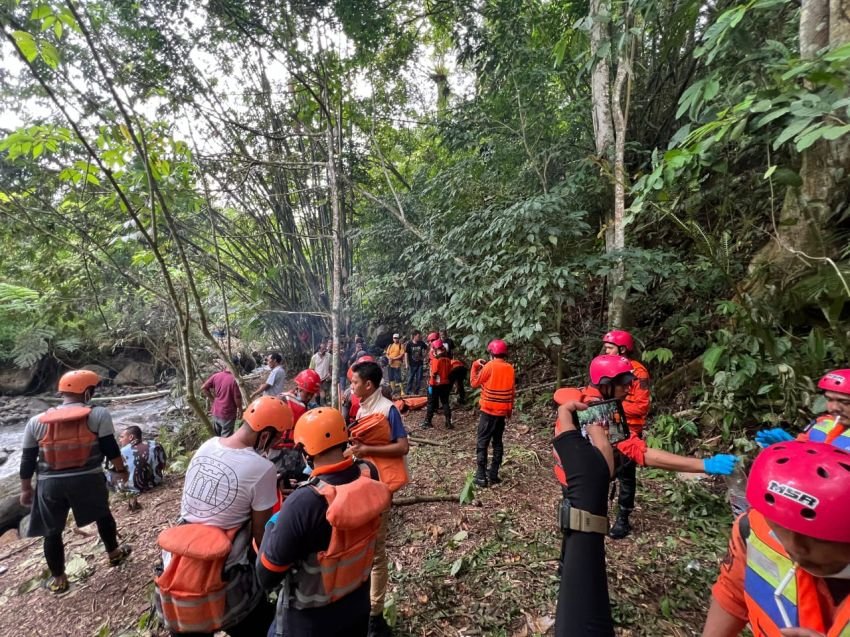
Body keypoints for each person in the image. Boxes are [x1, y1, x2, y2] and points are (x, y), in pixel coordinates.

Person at [155, 395, 291, 636]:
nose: (276, 444)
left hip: (176, 561)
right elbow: (260, 536)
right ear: (265, 436)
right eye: (277, 438)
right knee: (260, 623)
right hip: (225, 572)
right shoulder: (264, 468)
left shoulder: (208, 445)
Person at [257, 407, 391, 637]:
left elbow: (266, 577)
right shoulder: (369, 472)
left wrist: (275, 522)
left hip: (309, 621)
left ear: (305, 453)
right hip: (357, 604)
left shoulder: (304, 503)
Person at [702, 439, 850, 636]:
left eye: (818, 538)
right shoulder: (753, 531)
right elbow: (732, 593)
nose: (795, 547)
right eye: (781, 528)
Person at [552, 355, 738, 493]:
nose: (628, 389)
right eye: (623, 384)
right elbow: (642, 453)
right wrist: (704, 464)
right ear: (605, 384)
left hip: (569, 476)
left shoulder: (580, 396)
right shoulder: (598, 413)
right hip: (584, 486)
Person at [19, 369, 132, 594]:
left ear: (62, 393)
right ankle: (114, 554)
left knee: (52, 531)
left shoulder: (35, 422)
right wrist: (121, 470)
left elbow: (27, 459)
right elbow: (110, 448)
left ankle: (59, 580)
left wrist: (25, 489)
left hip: (50, 485)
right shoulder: (98, 414)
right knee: (103, 516)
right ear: (88, 392)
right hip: (88, 480)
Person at [347, 360, 410, 637]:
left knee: (376, 550)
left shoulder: (387, 409)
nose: (351, 386)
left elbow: (402, 446)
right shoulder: (362, 407)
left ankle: (375, 615)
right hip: (365, 482)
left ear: (368, 385)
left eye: (355, 382)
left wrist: (367, 450)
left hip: (382, 485)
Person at [600, 330, 651, 539]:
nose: (606, 351)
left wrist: (612, 406)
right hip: (610, 423)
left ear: (622, 349)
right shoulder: (607, 367)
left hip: (630, 428)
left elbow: (641, 406)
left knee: (626, 474)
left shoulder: (639, 372)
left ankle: (623, 517)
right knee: (605, 466)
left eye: (610, 347)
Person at [755, 368, 850, 449]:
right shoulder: (822, 422)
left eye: (845, 402)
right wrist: (789, 446)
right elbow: (803, 450)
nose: (834, 407)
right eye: (829, 399)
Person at [470, 339, 516, 487]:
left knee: (482, 442)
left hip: (488, 412)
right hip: (501, 413)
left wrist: (475, 365)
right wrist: (509, 410)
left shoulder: (489, 366)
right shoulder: (510, 368)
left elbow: (474, 382)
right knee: (497, 442)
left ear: (491, 353)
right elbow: (512, 392)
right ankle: (494, 473)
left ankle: (481, 475)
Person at [107, 425, 167, 493]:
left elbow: (115, 470)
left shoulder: (122, 451)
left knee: (107, 474)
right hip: (156, 482)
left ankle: (115, 493)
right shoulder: (155, 444)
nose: (120, 440)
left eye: (122, 437)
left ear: (131, 437)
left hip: (134, 488)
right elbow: (163, 463)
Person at [202, 361, 243, 437]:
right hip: (227, 414)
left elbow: (204, 388)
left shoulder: (216, 376)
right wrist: (240, 409)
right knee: (225, 439)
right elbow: (237, 397)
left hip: (216, 411)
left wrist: (213, 400)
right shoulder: (234, 379)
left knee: (217, 437)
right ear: (236, 367)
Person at [423, 339, 453, 430]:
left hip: (435, 385)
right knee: (445, 402)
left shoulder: (435, 360)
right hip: (446, 384)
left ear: (436, 349)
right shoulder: (448, 359)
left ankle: (427, 422)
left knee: (431, 403)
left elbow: (434, 373)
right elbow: (450, 371)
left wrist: (430, 383)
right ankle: (448, 422)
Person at [404, 330, 429, 395]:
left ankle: (416, 391)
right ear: (414, 336)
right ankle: (408, 391)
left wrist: (424, 356)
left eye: (419, 336)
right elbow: (406, 354)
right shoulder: (409, 344)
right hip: (412, 364)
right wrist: (406, 364)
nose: (419, 337)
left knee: (419, 378)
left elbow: (427, 348)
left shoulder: (421, 343)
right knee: (410, 378)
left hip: (420, 364)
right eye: (418, 336)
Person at [309, 340, 332, 405]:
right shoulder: (314, 357)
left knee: (323, 391)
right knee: (317, 393)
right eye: (322, 349)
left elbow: (331, 366)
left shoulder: (329, 356)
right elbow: (311, 368)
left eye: (325, 348)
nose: (324, 350)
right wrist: (313, 377)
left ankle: (324, 403)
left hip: (326, 377)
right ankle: (319, 404)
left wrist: (330, 373)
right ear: (319, 349)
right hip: (317, 377)